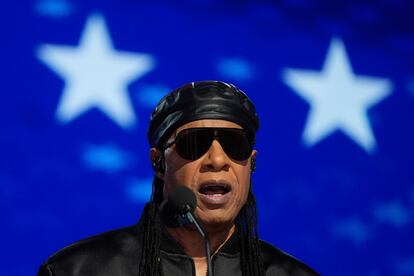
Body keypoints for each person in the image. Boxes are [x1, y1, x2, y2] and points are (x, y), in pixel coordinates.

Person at [38, 81, 318, 276]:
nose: (217, 160)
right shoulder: (76, 270)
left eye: (234, 145)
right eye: (195, 144)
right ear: (158, 162)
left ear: (251, 163)